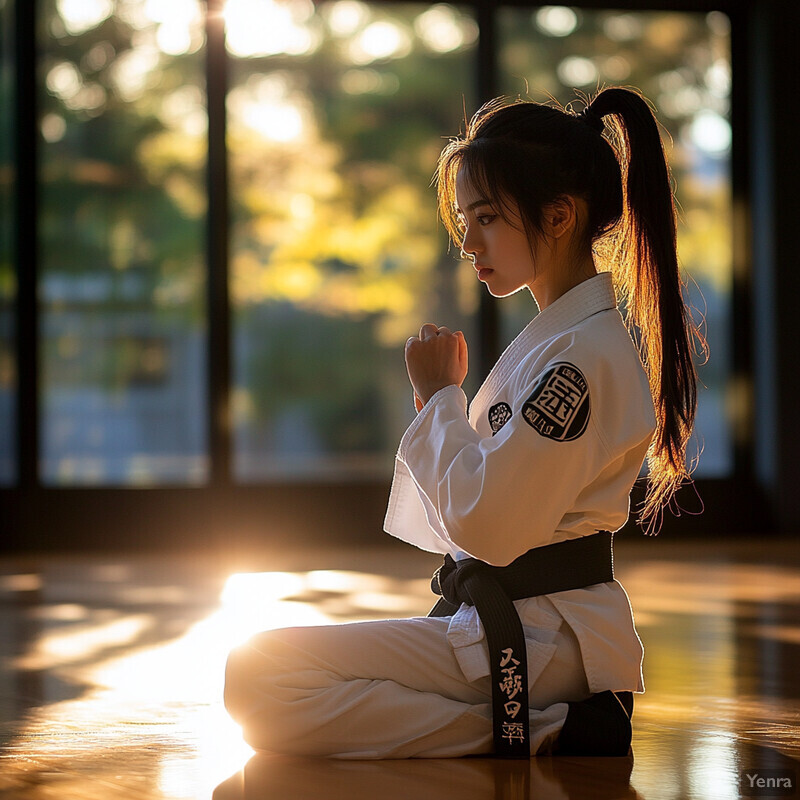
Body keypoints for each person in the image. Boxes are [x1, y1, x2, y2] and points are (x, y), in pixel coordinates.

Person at [223, 87, 700, 759]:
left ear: (559, 216)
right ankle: (537, 723)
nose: (469, 242)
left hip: (547, 636)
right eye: (463, 219)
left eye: (486, 218)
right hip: (523, 626)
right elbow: (481, 510)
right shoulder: (563, 345)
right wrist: (440, 404)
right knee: (260, 676)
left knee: (260, 678)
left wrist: (444, 396)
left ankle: (548, 728)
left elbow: (491, 525)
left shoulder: (581, 361)